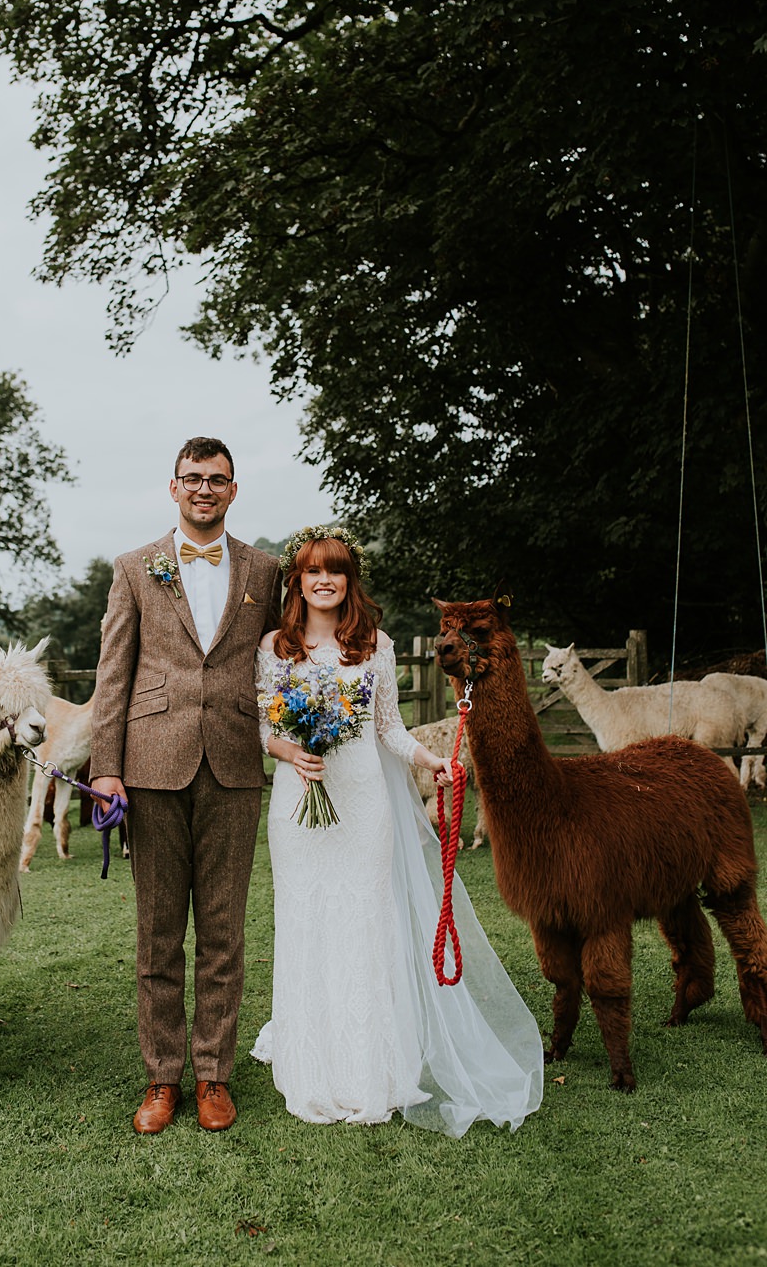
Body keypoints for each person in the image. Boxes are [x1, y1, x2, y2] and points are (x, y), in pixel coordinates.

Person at [252, 525, 544, 1135]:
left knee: (364, 921)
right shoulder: (275, 648)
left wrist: (430, 761)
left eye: (335, 570)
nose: (324, 580)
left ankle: (369, 1066)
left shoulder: (375, 646)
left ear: (349, 580)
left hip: (362, 802)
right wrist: (288, 750)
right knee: (306, 919)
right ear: (298, 582)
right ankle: (313, 1063)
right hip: (297, 802)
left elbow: (388, 729)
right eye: (312, 571)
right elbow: (263, 730)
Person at [90, 437, 283, 1134]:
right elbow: (113, 674)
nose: (205, 489)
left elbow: (281, 664)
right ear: (174, 488)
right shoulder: (136, 568)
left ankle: (213, 1077)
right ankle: (161, 1079)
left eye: (218, 480)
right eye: (194, 479)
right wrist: (105, 766)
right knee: (158, 935)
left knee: (226, 933)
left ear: (233, 491)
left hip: (234, 765)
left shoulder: (267, 569)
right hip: (151, 767)